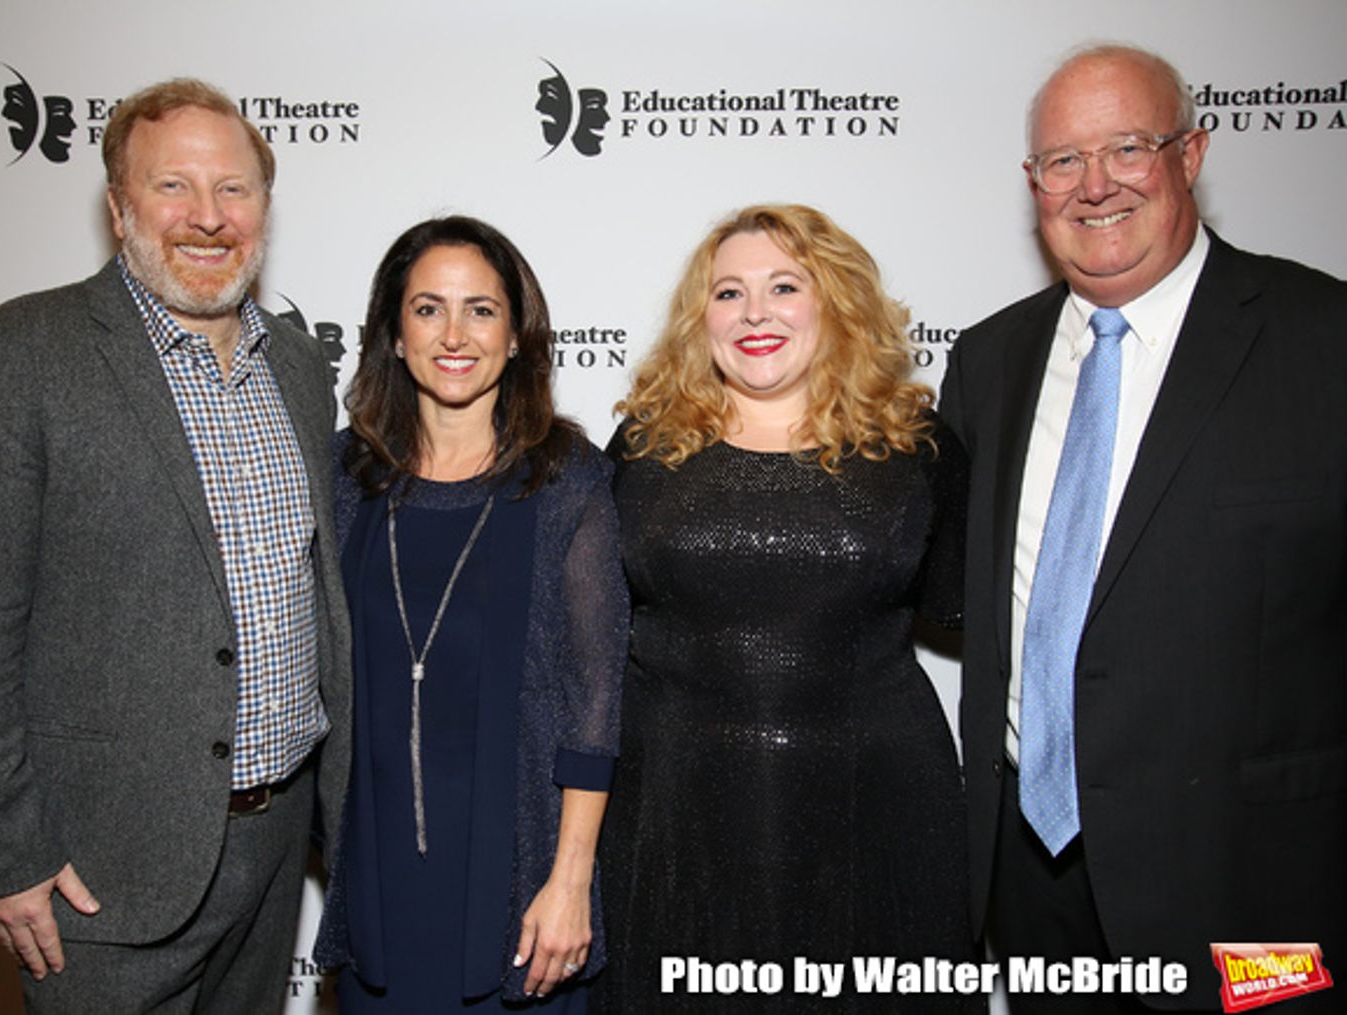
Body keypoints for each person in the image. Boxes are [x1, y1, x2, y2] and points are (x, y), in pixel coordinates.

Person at [940, 44, 1347, 1012]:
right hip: (1030, 885)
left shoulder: (1321, 338)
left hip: (1256, 886)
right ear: (1030, 182)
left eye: (1126, 147)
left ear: (1190, 153)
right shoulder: (987, 361)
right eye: (1060, 162)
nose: (1092, 187)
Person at [0, 78, 351, 1011]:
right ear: (120, 206)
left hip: (277, 834)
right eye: (174, 188)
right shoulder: (13, 357)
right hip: (99, 861)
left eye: (235, 191)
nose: (208, 219)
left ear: (264, 207)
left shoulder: (296, 364)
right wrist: (2, 853)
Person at [597, 204, 974, 1013]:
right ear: (702, 317)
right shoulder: (643, 448)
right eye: (728, 292)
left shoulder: (917, 449)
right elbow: (585, 634)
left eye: (783, 286)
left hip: (874, 809)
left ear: (834, 301)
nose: (755, 312)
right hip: (675, 815)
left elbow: (976, 610)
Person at [313, 216, 628, 1013]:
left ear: (518, 334)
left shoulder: (567, 481)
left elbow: (596, 709)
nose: (455, 334)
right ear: (392, 331)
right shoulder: (344, 477)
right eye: (428, 308)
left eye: (481, 309)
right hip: (379, 878)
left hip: (520, 882)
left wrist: (571, 881)